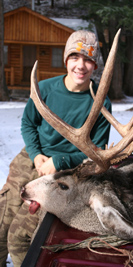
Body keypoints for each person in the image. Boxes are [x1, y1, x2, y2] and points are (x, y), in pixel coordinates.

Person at [0, 30, 111, 266]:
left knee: (19, 238)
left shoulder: (100, 101)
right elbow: (29, 124)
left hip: (64, 172)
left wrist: (60, 162)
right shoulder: (44, 89)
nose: (80, 66)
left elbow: (97, 153)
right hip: (31, 158)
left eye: (89, 59)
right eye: (74, 57)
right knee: (1, 226)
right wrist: (36, 154)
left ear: (96, 66)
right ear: (65, 59)